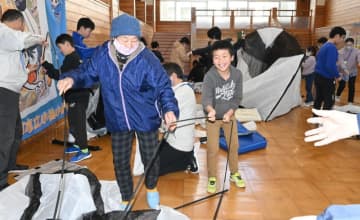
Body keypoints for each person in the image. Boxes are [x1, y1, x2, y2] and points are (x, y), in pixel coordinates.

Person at [56, 13, 179, 210]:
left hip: (145, 117)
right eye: (125, 39)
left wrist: (169, 110)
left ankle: (151, 187)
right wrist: (71, 79)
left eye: (134, 40)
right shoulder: (103, 55)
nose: (131, 44)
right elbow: (86, 72)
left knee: (151, 157)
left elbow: (164, 87)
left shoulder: (146, 58)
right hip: (117, 118)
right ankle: (126, 197)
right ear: (114, 38)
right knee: (120, 160)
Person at [0, 9, 44, 191]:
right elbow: (23, 40)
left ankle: (9, 165)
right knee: (5, 136)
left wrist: (27, 71)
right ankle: (1, 179)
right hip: (3, 92)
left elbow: (8, 65)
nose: (22, 27)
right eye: (22, 24)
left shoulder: (5, 35)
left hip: (9, 91)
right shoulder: (4, 32)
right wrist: (40, 38)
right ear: (17, 22)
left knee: (15, 132)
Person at [201, 40, 245, 194]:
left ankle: (234, 173)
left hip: (229, 116)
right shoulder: (209, 76)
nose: (221, 61)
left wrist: (230, 112)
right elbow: (205, 98)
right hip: (213, 119)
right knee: (212, 148)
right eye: (216, 58)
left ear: (232, 57)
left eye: (224, 56)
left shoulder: (237, 74)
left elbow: (237, 97)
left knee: (234, 146)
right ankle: (212, 176)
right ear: (212, 59)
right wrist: (210, 110)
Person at [42, 34, 91, 162]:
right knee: (73, 122)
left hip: (78, 96)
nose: (60, 50)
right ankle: (76, 145)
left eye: (60, 47)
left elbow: (60, 75)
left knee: (78, 123)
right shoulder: (71, 57)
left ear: (67, 44)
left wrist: (46, 65)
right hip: (75, 96)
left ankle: (85, 150)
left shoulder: (73, 58)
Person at [313, 26, 346, 111]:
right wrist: (338, 76)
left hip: (318, 76)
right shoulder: (331, 48)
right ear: (337, 36)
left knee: (318, 99)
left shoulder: (323, 46)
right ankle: (325, 122)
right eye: (342, 38)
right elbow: (330, 66)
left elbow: (320, 61)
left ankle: (315, 118)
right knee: (329, 101)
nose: (342, 40)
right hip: (326, 79)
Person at [335, 37, 360, 104]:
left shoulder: (357, 51)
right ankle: (337, 95)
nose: (349, 46)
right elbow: (341, 62)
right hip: (342, 72)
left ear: (353, 44)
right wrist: (345, 70)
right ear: (345, 44)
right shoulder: (340, 51)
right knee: (342, 85)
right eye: (347, 45)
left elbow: (359, 57)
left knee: (351, 86)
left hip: (352, 71)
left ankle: (350, 102)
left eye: (350, 45)